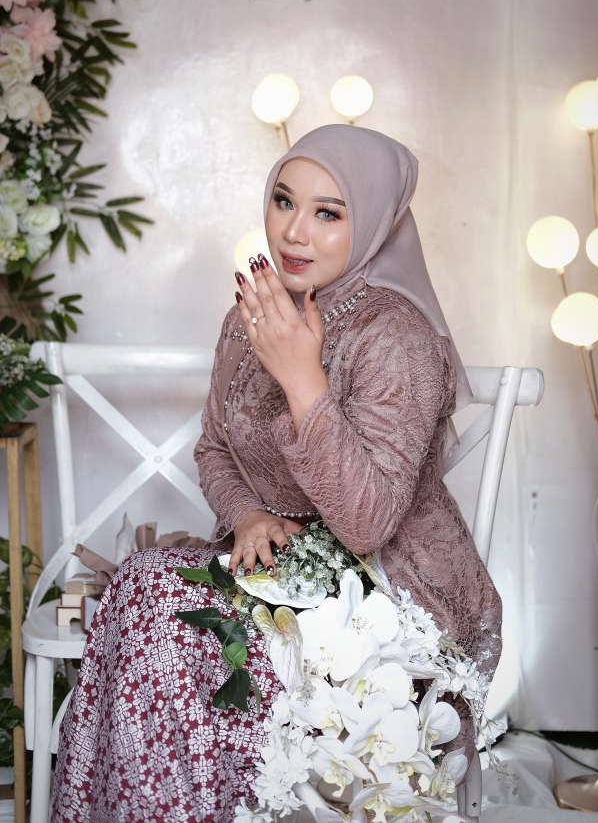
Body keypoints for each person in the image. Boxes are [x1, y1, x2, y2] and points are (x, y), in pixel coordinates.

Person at [51, 125, 501, 823]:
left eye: (328, 213)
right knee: (144, 590)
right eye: (284, 200)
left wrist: (301, 377)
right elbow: (213, 448)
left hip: (386, 604)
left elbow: (368, 524)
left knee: (163, 616)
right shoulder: (252, 318)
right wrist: (248, 516)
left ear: (373, 222)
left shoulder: (397, 336)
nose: (293, 231)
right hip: (273, 578)